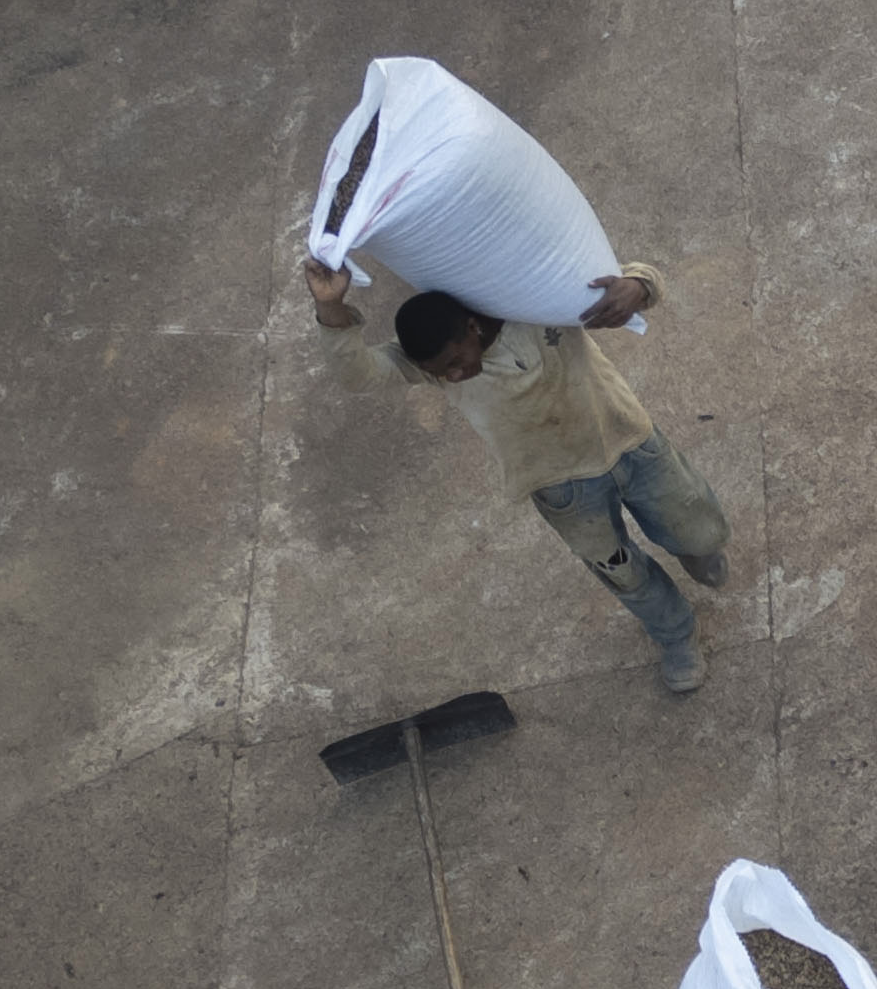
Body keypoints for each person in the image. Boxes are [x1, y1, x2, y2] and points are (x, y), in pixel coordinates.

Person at [303, 256, 729, 694]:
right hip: (560, 489)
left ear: (471, 327)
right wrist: (331, 308)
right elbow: (357, 375)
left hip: (631, 444)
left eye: (455, 361)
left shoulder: (536, 306)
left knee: (697, 529)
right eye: (441, 374)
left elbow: (633, 277)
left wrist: (638, 284)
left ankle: (696, 551)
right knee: (624, 573)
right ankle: (676, 636)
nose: (453, 375)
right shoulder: (430, 365)